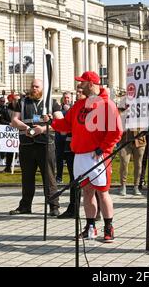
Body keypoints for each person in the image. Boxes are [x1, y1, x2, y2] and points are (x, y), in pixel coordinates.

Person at [51, 71, 122, 243]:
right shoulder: (79, 105)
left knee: (103, 192)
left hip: (98, 156)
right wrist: (51, 121)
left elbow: (116, 132)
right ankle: (90, 227)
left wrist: (102, 149)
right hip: (80, 155)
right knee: (87, 192)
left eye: (82, 82)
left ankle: (108, 227)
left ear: (91, 84)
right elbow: (66, 125)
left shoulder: (107, 104)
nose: (79, 85)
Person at [9, 79, 62, 216]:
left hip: (45, 144)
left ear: (43, 88)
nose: (34, 89)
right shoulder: (22, 102)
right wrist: (26, 128)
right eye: (32, 86)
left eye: (37, 86)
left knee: (49, 177)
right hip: (26, 144)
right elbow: (14, 120)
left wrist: (44, 128)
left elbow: (60, 121)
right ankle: (25, 205)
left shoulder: (51, 103)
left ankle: (54, 206)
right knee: (27, 177)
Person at [118, 101, 146, 196]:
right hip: (125, 140)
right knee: (124, 163)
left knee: (138, 164)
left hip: (139, 140)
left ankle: (136, 186)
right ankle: (123, 185)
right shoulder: (123, 108)